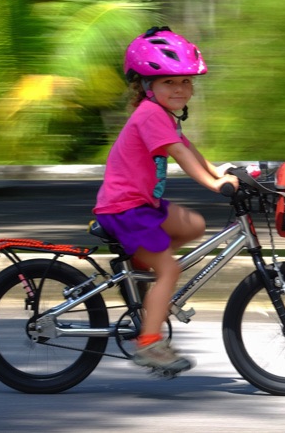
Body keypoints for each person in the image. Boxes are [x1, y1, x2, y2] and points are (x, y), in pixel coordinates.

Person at [93, 26, 238, 373]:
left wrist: (217, 170)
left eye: (186, 81)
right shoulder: (150, 114)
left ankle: (141, 273)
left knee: (194, 225)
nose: (180, 89)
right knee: (170, 269)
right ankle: (149, 343)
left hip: (142, 205)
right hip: (126, 209)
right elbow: (179, 154)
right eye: (169, 82)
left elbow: (187, 147)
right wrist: (214, 184)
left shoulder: (162, 115)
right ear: (146, 86)